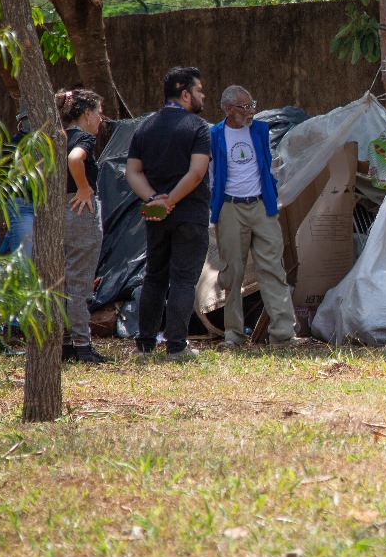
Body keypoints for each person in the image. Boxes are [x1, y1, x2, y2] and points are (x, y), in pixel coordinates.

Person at [125, 67, 212, 362]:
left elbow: (132, 172)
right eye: (199, 90)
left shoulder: (144, 127)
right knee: (184, 281)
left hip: (155, 216)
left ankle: (145, 345)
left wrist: (154, 200)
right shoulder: (198, 127)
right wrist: (171, 200)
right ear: (185, 94)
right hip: (190, 214)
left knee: (154, 278)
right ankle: (177, 346)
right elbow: (197, 172)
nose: (203, 95)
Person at [210, 85, 302, 348]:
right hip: (230, 208)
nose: (252, 111)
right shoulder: (215, 134)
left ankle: (283, 335)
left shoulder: (260, 130)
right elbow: (210, 173)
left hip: (262, 206)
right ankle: (234, 335)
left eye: (253, 105)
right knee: (232, 273)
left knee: (273, 268)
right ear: (229, 109)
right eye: (246, 107)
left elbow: (270, 163)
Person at [57, 88, 111, 364]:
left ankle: (66, 341)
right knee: (80, 280)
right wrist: (84, 188)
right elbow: (76, 159)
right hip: (80, 212)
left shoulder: (57, 137)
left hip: (58, 214)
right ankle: (82, 343)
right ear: (87, 114)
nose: (101, 119)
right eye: (99, 113)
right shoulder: (83, 138)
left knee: (64, 279)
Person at [0, 102, 35, 258]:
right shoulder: (16, 143)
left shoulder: (54, 142)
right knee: (24, 261)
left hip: (43, 206)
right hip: (22, 205)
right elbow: (4, 178)